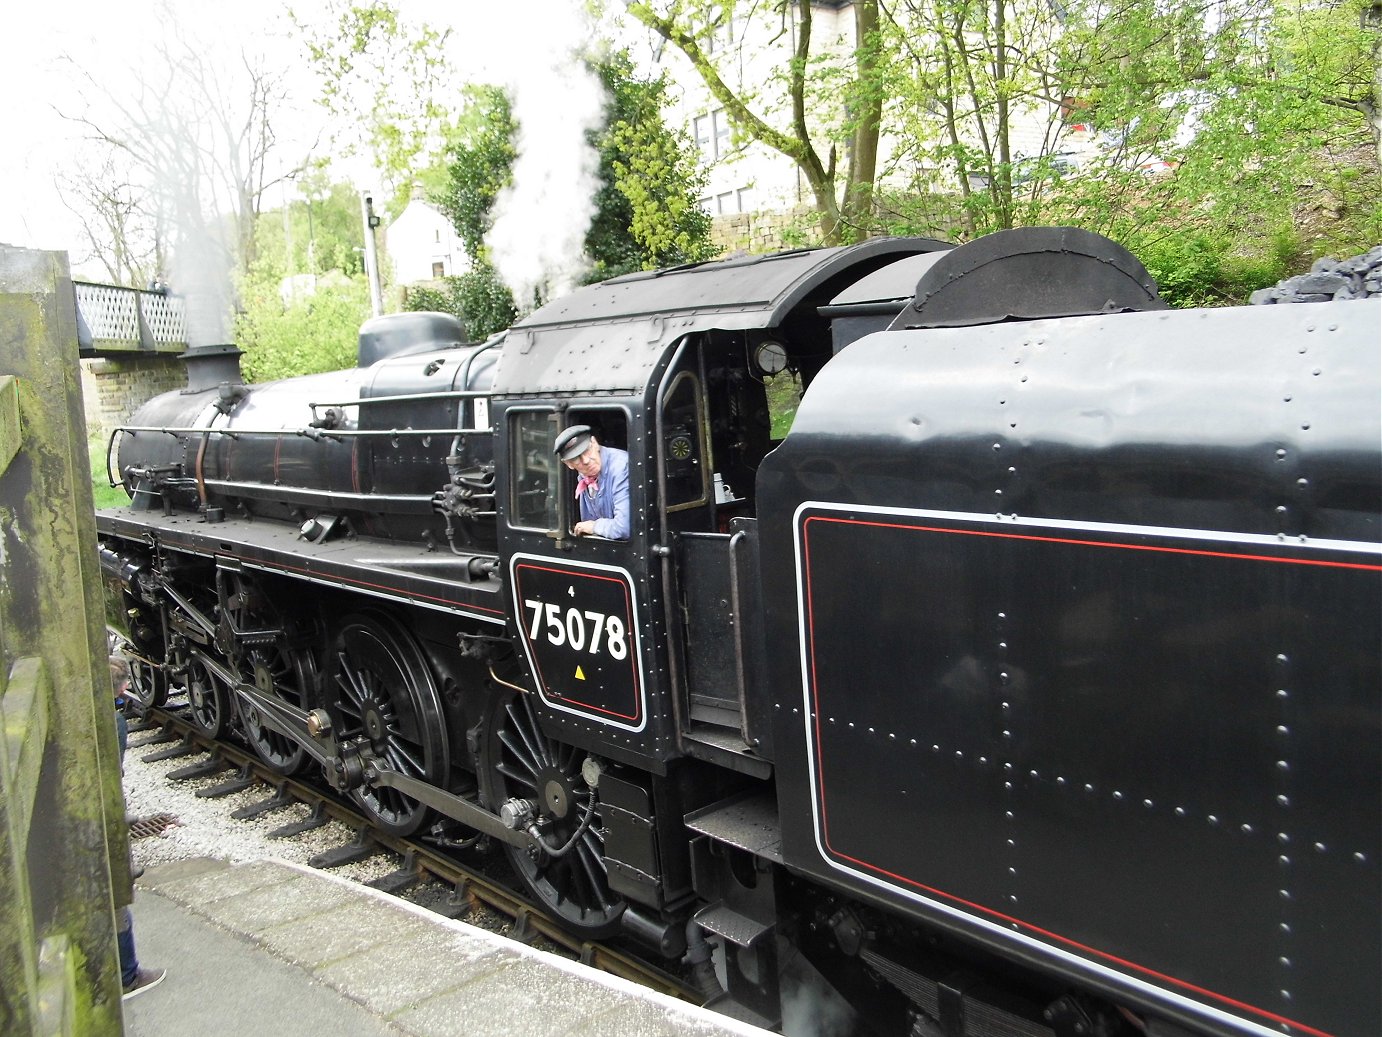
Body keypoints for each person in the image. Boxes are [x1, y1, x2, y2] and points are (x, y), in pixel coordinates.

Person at [110, 655, 166, 1000]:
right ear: (124, 686)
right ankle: (127, 975)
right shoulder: (115, 723)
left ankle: (124, 972)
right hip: (106, 815)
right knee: (115, 892)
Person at [554, 424, 630, 540]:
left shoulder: (620, 467)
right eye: (576, 458)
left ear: (594, 443)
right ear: (568, 464)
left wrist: (594, 526)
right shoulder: (583, 476)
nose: (586, 461)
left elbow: (624, 528)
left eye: (587, 450)